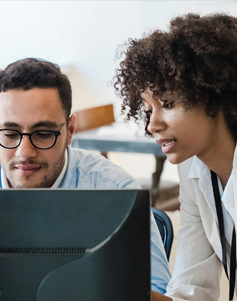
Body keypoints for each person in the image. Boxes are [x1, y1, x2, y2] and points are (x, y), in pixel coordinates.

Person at [0, 57, 170, 294]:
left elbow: (158, 290)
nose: (24, 153)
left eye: (43, 133)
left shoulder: (116, 191)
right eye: (9, 133)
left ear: (70, 131)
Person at [114, 13, 237, 301]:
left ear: (213, 95)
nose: (151, 125)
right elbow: (191, 291)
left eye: (166, 104)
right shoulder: (194, 170)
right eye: (148, 110)